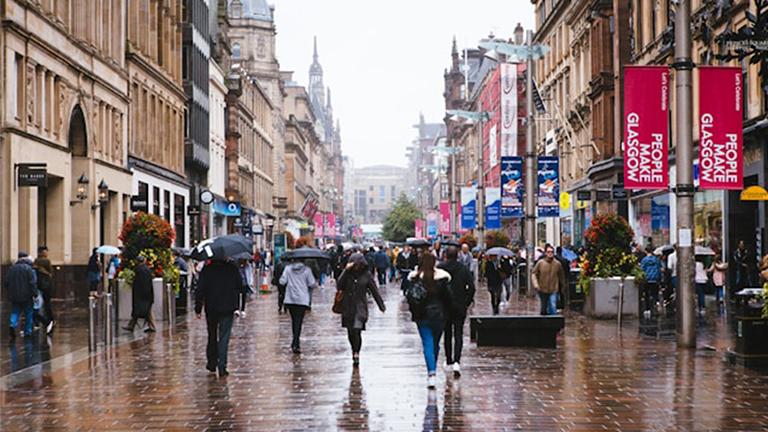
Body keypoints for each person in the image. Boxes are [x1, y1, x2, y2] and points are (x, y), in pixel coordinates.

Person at [408, 253, 452, 389]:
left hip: (422, 317)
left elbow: (410, 298)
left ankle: (431, 374)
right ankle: (432, 368)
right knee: (436, 344)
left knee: (427, 343)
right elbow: (449, 298)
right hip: (439, 316)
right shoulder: (442, 278)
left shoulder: (415, 278)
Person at [195, 257, 243, 377]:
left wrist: (198, 307)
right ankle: (222, 365)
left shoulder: (207, 270)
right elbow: (240, 286)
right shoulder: (232, 269)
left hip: (211, 307)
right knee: (224, 337)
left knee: (212, 335)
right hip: (227, 307)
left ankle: (212, 363)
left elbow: (200, 289)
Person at [336, 253, 386, 366]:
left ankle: (356, 353)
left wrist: (381, 305)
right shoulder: (347, 274)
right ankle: (353, 349)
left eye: (358, 264)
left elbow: (374, 291)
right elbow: (339, 285)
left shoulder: (366, 275)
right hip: (348, 306)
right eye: (354, 265)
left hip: (360, 307)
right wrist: (345, 270)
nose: (356, 267)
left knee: (357, 330)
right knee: (350, 332)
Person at [438, 243, 475, 377]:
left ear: (445, 255)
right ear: (458, 255)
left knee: (447, 333)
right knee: (458, 333)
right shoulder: (463, 269)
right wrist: (466, 302)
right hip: (459, 305)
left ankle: (448, 359)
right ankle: (457, 362)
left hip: (444, 305)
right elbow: (471, 287)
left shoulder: (440, 268)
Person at [280, 258, 317, 354]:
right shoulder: (307, 270)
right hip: (302, 299)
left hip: (290, 299)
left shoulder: (288, 268)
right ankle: (296, 341)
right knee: (299, 321)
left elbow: (282, 281)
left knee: (294, 320)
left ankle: (295, 341)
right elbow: (312, 283)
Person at [5, 252, 38, 339]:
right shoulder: (28, 269)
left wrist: (10, 290)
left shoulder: (12, 268)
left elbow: (6, 282)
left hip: (15, 295)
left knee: (15, 311)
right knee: (29, 313)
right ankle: (28, 331)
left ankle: (12, 324)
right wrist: (35, 294)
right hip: (27, 295)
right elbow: (32, 283)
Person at [122, 256, 156, 333]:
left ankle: (152, 327)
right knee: (142, 311)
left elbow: (141, 283)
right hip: (147, 294)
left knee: (145, 311)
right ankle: (131, 325)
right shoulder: (147, 269)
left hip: (142, 295)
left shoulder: (140, 270)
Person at [532, 245, 565, 316]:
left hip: (554, 289)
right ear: (545, 253)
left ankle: (554, 323)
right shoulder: (540, 263)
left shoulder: (557, 264)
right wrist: (536, 284)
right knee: (543, 307)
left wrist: (562, 287)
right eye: (548, 252)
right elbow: (534, 273)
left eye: (552, 252)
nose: (550, 253)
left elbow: (561, 276)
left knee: (553, 305)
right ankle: (543, 322)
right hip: (542, 288)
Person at [34, 246, 56, 334]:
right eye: (46, 251)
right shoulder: (46, 261)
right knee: (47, 303)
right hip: (46, 284)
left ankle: (37, 322)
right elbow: (51, 272)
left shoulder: (35, 261)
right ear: (43, 252)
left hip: (38, 284)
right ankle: (50, 319)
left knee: (36, 304)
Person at [640, 246, 663, 315]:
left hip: (647, 278)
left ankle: (648, 309)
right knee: (655, 293)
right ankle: (657, 302)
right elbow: (659, 269)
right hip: (655, 278)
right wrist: (659, 278)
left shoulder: (644, 260)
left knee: (647, 294)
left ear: (646, 252)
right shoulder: (656, 260)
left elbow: (642, 269)